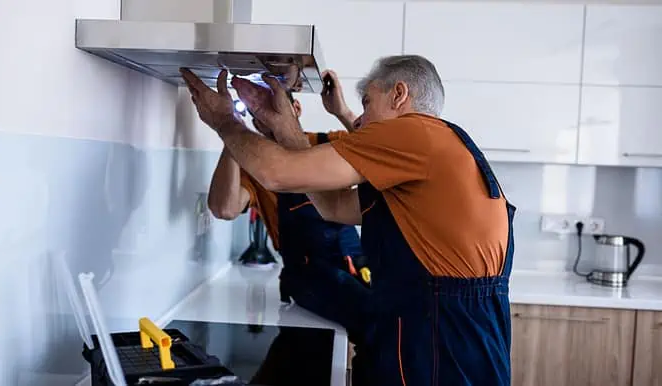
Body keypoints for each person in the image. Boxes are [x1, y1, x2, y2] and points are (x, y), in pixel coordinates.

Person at [180, 54, 515, 385]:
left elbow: (277, 174)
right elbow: (334, 206)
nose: (360, 121)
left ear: (399, 94)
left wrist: (225, 122)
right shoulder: (434, 150)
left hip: (438, 343)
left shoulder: (414, 135)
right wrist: (283, 127)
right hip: (441, 334)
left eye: (367, 102)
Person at [207, 87, 376, 384]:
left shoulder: (328, 144)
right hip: (307, 281)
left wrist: (342, 111)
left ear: (295, 108)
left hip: (356, 267)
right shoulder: (256, 169)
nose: (261, 114)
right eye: (254, 108)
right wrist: (230, 131)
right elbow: (224, 208)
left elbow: (379, 153)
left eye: (267, 105)